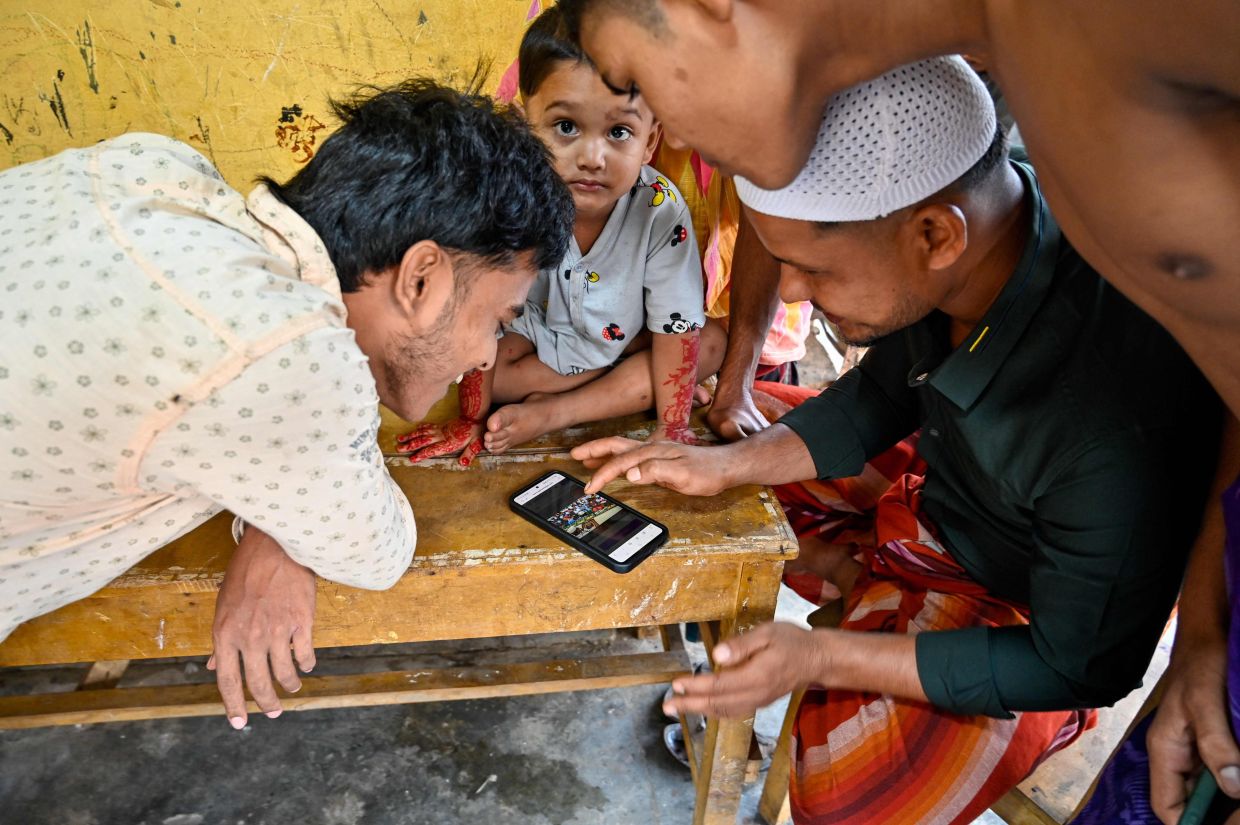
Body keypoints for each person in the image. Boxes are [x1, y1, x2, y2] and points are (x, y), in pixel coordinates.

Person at [557, 2, 1240, 819]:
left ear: (934, 235)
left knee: (844, 792)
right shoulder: (977, 250)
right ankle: (863, 575)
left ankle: (872, 594)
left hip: (1013, 598)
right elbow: (885, 391)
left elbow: (1076, 663)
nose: (797, 297)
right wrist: (727, 462)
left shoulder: (1104, 432)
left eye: (814, 270)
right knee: (685, 450)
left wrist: (825, 654)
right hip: (935, 485)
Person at [0, 78, 573, 728]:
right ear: (421, 279)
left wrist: (275, 516)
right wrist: (287, 518)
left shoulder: (159, 169)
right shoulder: (291, 361)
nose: (486, 357)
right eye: (497, 319)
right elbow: (377, 548)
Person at [397, 8, 725, 465]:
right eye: (566, 126)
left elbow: (676, 326)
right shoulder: (506, 201)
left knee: (706, 343)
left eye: (619, 132)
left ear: (650, 142)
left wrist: (671, 428)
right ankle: (622, 386)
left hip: (621, 343)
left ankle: (551, 414)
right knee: (488, 362)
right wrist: (472, 419)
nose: (592, 157)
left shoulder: (660, 211)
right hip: (539, 348)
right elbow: (481, 321)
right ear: (522, 125)